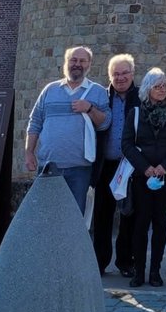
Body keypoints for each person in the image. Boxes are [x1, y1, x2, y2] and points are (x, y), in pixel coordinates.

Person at [121, 67, 166, 288]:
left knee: (160, 223)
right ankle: (139, 271)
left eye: (164, 86)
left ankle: (155, 271)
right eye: (157, 86)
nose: (161, 90)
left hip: (165, 176)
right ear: (148, 89)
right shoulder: (136, 113)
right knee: (141, 223)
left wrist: (164, 167)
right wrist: (145, 167)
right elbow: (127, 144)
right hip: (142, 176)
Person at [24, 45, 110, 213]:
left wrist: (90, 108)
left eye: (82, 61)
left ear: (89, 65)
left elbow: (105, 123)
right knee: (45, 216)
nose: (77, 64)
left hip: (79, 169)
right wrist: (29, 152)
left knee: (74, 218)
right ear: (66, 63)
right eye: (73, 60)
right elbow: (35, 121)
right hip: (48, 166)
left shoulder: (97, 92)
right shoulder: (50, 90)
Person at [92, 53, 140, 277]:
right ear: (110, 76)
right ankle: (99, 261)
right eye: (116, 74)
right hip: (106, 165)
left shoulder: (141, 98)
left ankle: (125, 261)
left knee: (128, 215)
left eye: (124, 73)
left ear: (132, 74)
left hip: (130, 167)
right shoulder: (101, 98)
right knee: (102, 215)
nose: (120, 78)